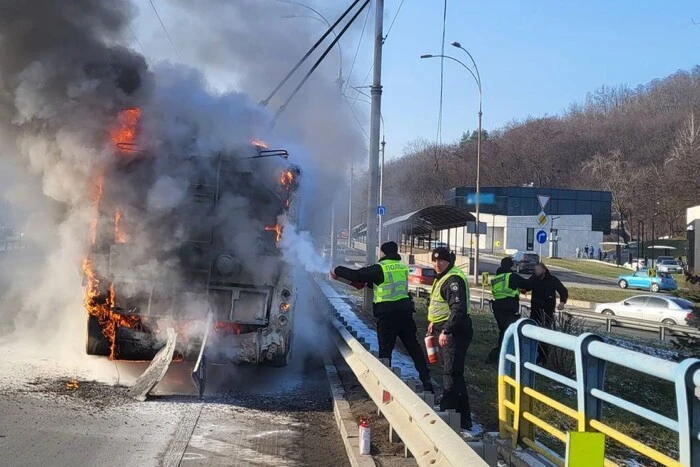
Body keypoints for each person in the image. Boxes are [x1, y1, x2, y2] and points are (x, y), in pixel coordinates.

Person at [331, 241, 433, 392]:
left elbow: (357, 275)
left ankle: (386, 388)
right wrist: (369, 284)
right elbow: (390, 284)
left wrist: (337, 269)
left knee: (385, 353)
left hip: (387, 316)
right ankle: (427, 382)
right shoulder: (402, 267)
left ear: (383, 253)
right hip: (405, 314)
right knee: (414, 349)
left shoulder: (380, 268)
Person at [426, 247, 473, 430]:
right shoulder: (444, 277)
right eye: (435, 261)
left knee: (451, 373)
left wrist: (446, 330)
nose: (438, 264)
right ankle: (463, 419)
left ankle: (449, 414)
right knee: (454, 373)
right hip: (447, 329)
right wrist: (433, 322)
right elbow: (442, 305)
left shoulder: (453, 279)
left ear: (448, 261)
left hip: (455, 331)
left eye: (441, 261)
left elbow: (458, 310)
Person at [522, 263, 568, 365]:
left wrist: (562, 302)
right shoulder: (534, 278)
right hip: (535, 310)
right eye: (535, 270)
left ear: (544, 270)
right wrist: (523, 289)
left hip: (547, 312)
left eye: (538, 270)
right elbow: (527, 286)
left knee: (544, 334)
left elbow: (563, 291)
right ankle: (535, 355)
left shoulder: (552, 280)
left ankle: (544, 358)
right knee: (532, 333)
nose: (536, 272)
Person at [485, 257, 526, 364]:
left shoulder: (496, 278)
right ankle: (497, 356)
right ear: (511, 265)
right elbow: (526, 284)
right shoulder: (511, 276)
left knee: (504, 332)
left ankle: (500, 357)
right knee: (508, 333)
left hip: (497, 308)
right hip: (509, 308)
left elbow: (507, 289)